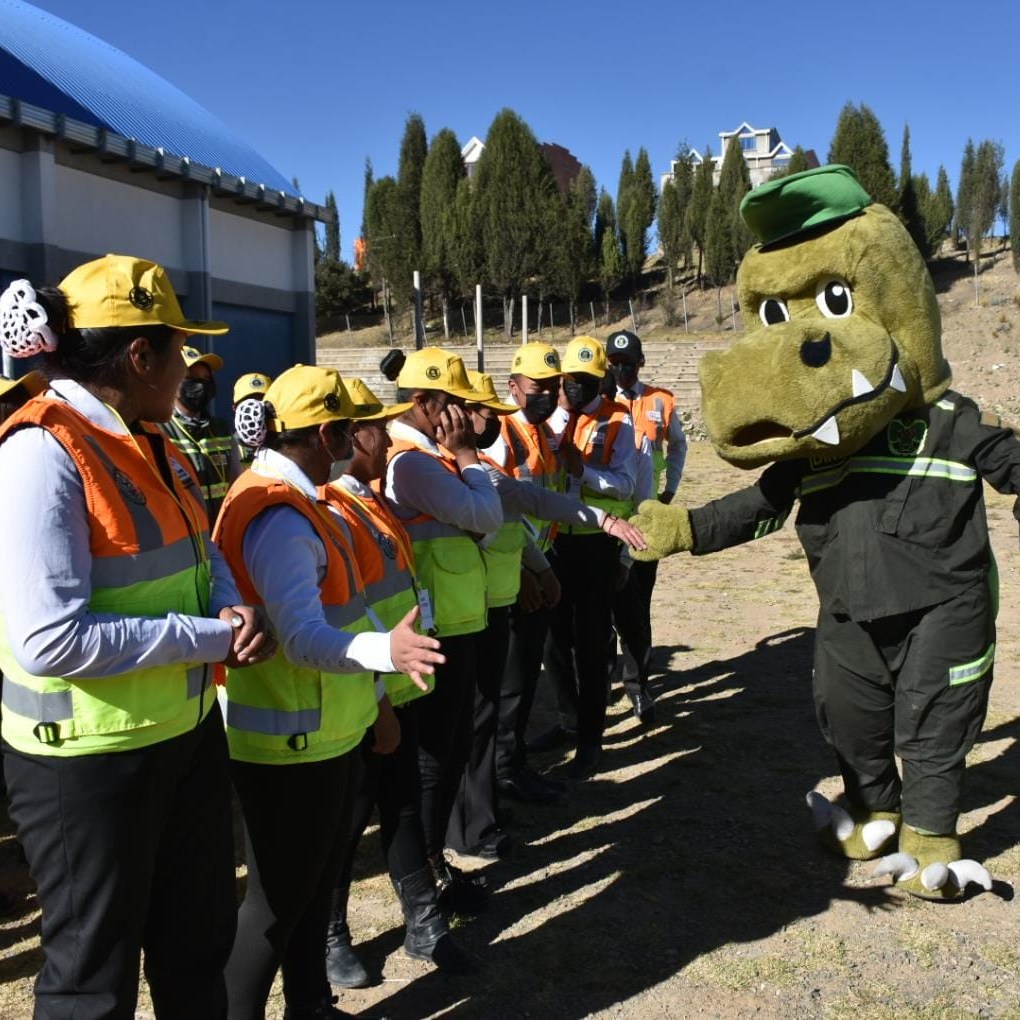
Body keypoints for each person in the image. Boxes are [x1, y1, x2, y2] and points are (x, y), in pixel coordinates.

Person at [0, 255, 274, 1019]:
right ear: (138, 354)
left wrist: (229, 605)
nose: (189, 366)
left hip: (181, 739)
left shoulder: (150, 440)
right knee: (94, 983)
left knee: (197, 950)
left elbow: (202, 548)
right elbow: (50, 639)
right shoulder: (40, 454)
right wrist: (210, 639)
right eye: (178, 348)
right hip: (86, 767)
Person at [216, 365, 444, 1019]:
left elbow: (346, 610)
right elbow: (304, 639)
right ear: (325, 432)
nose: (358, 440)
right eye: (350, 428)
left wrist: (376, 697)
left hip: (319, 730)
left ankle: (310, 1003)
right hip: (288, 739)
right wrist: (385, 656)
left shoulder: (307, 504)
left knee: (308, 892)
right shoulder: (281, 520)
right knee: (274, 906)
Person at [323, 378, 477, 987]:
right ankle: (330, 933)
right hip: (367, 684)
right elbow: (344, 608)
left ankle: (422, 921)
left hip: (398, 674)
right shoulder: (332, 504)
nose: (386, 434)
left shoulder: (370, 496)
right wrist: (379, 696)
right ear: (346, 434)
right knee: (352, 811)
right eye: (374, 426)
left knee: (403, 798)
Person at [384, 347, 502, 911]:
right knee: (433, 758)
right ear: (424, 401)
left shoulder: (432, 454)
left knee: (452, 748)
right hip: (433, 630)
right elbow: (486, 515)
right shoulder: (412, 461)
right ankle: (427, 868)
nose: (460, 413)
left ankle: (435, 863)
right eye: (451, 403)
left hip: (456, 619)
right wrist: (468, 453)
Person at [541, 336, 638, 779]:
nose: (575, 387)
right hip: (555, 543)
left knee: (593, 645)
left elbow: (624, 485)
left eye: (583, 380)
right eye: (569, 379)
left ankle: (590, 740)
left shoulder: (620, 423)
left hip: (597, 547)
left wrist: (584, 472)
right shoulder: (554, 419)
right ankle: (567, 718)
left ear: (600, 379)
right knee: (555, 642)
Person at [606, 329, 688, 722]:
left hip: (645, 518)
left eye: (627, 363)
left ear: (640, 363)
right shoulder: (598, 402)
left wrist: (670, 488)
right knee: (597, 609)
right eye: (614, 363)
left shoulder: (661, 400)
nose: (620, 370)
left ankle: (639, 687)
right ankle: (602, 679)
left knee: (636, 608)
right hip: (603, 521)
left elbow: (678, 446)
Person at [163, 344, 240, 522]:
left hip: (221, 532)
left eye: (205, 378)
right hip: (187, 533)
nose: (199, 386)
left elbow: (235, 483)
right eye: (190, 377)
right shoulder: (160, 430)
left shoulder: (221, 429)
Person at [232, 371, 272, 465]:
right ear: (235, 408)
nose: (256, 410)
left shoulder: (285, 450)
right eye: (249, 404)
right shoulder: (229, 449)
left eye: (262, 401)